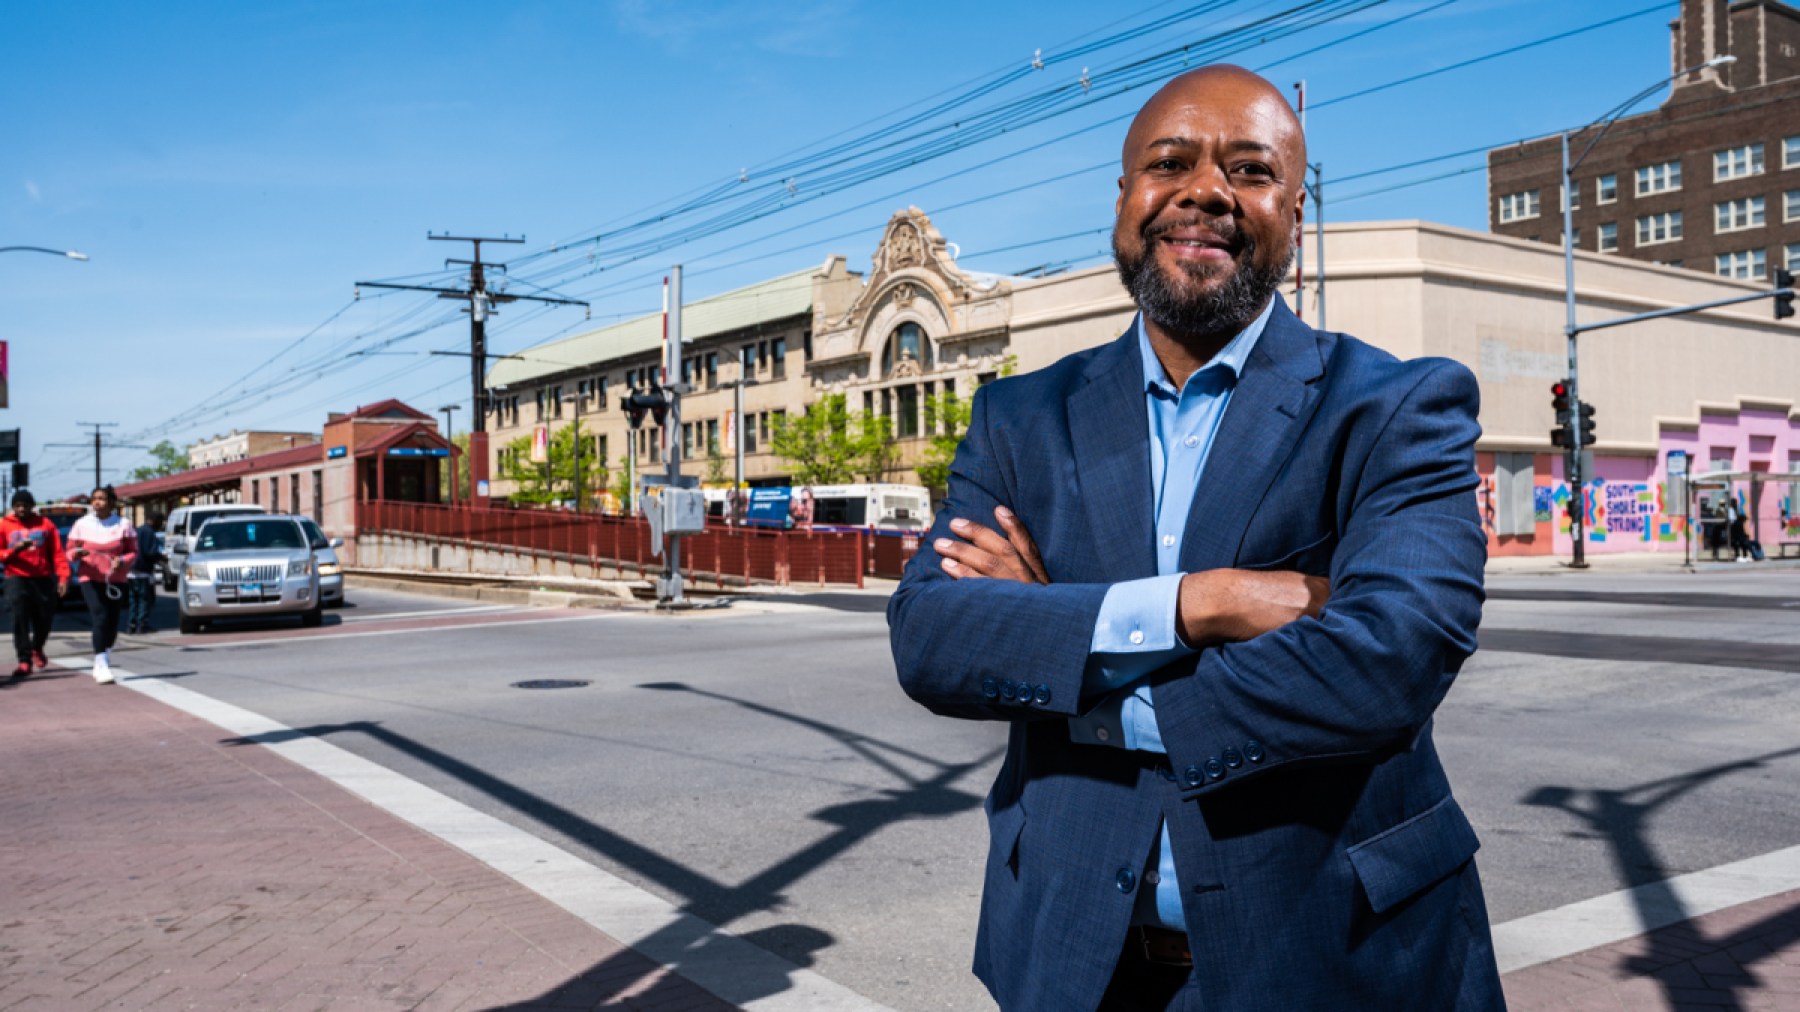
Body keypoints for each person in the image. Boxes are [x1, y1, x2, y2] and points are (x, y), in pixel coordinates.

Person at [889, 66, 1500, 1010]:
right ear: (1124, 199)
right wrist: (1204, 603)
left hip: (1333, 960)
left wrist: (1067, 652)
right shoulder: (1019, 418)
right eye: (1169, 163)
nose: (1206, 191)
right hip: (1073, 962)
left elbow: (1390, 658)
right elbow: (933, 639)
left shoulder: (1397, 406)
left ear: (1296, 213)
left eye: (1250, 170)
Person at [66, 486, 137, 684]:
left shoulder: (123, 524)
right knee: (100, 616)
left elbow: (133, 551)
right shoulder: (81, 524)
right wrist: (76, 554)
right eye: (94, 499)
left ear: (111, 503)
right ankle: (101, 660)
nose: (97, 502)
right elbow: (69, 551)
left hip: (115, 579)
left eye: (102, 498)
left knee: (112, 621)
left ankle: (104, 655)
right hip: (89, 577)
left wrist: (122, 561)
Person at [2, 489, 71, 677]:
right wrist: (14, 550)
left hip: (42, 578)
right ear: (13, 507)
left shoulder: (45, 524)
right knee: (19, 618)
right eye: (17, 506)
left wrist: (63, 577)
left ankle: (37, 647)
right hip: (16, 578)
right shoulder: (4, 525)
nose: (21, 509)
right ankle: (24, 660)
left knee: (44, 617)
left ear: (32, 506)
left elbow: (58, 553)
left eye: (25, 505)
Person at [127, 511, 165, 634]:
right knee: (144, 599)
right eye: (160, 522)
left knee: (133, 600)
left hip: (131, 570)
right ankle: (142, 625)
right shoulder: (149, 532)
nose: (161, 525)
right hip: (143, 570)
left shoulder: (137, 530)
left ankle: (131, 625)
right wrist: (161, 557)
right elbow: (150, 552)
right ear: (154, 521)